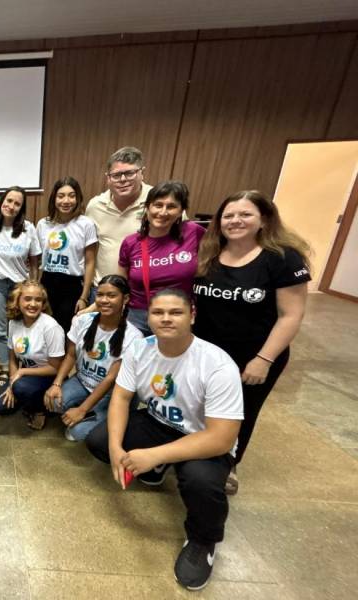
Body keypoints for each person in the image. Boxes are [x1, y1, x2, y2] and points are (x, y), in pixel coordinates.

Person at [86, 289, 243, 591]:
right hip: (159, 422)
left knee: (200, 481)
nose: (166, 319)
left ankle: (202, 540)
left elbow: (222, 438)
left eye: (176, 312)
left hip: (202, 439)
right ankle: (156, 470)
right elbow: (121, 398)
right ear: (148, 317)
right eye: (158, 312)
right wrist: (116, 447)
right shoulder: (140, 348)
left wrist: (155, 455)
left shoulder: (218, 365)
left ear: (192, 316)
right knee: (99, 440)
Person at [193, 190, 310, 495]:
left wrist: (264, 359)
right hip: (207, 352)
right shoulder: (210, 252)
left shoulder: (282, 258)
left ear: (264, 220)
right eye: (228, 215)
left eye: (245, 214)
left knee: (240, 412)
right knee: (200, 405)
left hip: (253, 355)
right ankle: (194, 455)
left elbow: (291, 316)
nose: (235, 221)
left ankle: (228, 464)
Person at [44, 274, 142, 442]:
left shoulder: (134, 336)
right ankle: (86, 410)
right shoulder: (82, 321)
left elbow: (110, 379)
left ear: (125, 298)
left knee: (79, 432)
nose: (104, 300)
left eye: (111, 295)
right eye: (100, 295)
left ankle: (113, 414)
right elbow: (70, 355)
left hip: (111, 393)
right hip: (83, 381)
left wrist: (82, 410)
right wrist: (56, 383)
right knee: (52, 401)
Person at [117, 181, 205, 336]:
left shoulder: (193, 232)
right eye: (158, 205)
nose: (163, 212)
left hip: (178, 315)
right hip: (138, 316)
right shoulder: (131, 242)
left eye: (171, 207)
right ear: (147, 207)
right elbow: (121, 281)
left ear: (181, 211)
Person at [0, 186, 41, 387]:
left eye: (17, 203)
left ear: (21, 208)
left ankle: (23, 364)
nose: (11, 206)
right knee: (0, 329)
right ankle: (5, 367)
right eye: (9, 201)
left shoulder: (28, 228)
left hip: (19, 286)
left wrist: (34, 286)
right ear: (2, 202)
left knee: (20, 327)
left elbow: (34, 262)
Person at [0, 280, 64, 430]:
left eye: (38, 300)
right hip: (24, 376)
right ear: (18, 301)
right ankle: (27, 396)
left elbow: (55, 368)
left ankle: (39, 410)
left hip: (48, 376)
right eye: (27, 299)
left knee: (21, 388)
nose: (33, 304)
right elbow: (12, 358)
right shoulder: (13, 323)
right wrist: (11, 384)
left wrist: (22, 373)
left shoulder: (51, 327)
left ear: (43, 304)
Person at [85, 146, 153, 295]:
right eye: (116, 175)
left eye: (129, 173)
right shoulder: (95, 206)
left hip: (142, 291)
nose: (123, 180)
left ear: (142, 173)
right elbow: (88, 249)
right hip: (102, 289)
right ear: (108, 178)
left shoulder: (157, 202)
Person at [36, 176, 97, 331]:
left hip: (72, 285)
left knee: (66, 329)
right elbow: (37, 259)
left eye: (71, 196)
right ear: (54, 198)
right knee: (44, 328)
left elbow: (90, 262)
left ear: (77, 198)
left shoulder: (86, 224)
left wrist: (84, 297)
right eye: (61, 196)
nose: (66, 201)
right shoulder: (43, 224)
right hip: (47, 281)